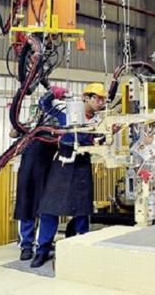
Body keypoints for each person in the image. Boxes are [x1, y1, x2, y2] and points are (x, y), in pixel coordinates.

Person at [30, 83, 106, 268]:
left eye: (103, 99)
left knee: (82, 210)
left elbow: (102, 139)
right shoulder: (67, 115)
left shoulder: (100, 122)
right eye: (97, 97)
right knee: (49, 208)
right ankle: (42, 250)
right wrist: (52, 94)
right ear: (85, 98)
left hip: (82, 164)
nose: (101, 102)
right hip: (62, 162)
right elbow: (44, 105)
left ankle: (81, 247)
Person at [11, 87, 60, 261]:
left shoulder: (58, 119)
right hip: (28, 169)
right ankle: (26, 245)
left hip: (49, 169)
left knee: (47, 208)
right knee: (26, 206)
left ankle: (43, 245)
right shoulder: (31, 122)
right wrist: (23, 128)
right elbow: (13, 132)